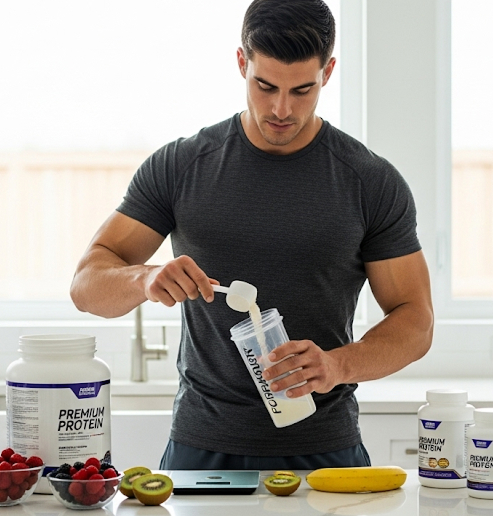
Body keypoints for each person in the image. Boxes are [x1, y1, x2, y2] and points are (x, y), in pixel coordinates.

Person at [70, 0, 433, 470]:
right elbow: (86, 287)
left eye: (302, 89)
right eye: (265, 86)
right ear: (242, 62)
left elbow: (416, 321)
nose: (282, 109)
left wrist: (337, 365)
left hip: (327, 449)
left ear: (328, 72)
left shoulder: (369, 181)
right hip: (201, 450)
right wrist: (144, 279)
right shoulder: (181, 167)